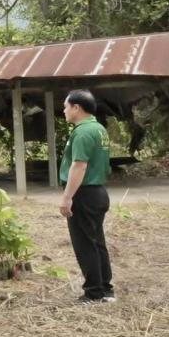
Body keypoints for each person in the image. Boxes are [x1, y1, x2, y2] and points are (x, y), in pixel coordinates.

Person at [59, 90, 114, 303]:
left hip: (84, 193)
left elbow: (79, 166)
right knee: (97, 241)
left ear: (76, 107)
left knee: (85, 244)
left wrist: (67, 197)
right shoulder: (99, 129)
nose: (63, 111)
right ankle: (105, 289)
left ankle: (93, 293)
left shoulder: (82, 132)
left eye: (65, 106)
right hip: (98, 192)